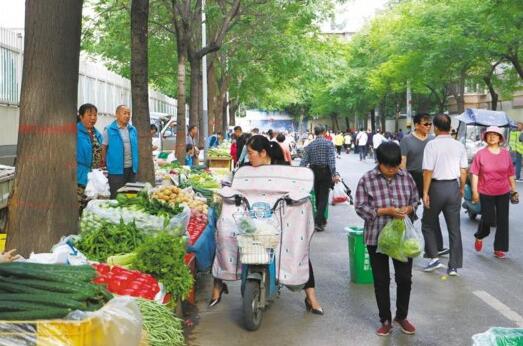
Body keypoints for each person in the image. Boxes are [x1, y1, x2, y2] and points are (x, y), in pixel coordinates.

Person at [210, 135, 324, 313]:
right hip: (252, 219)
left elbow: (297, 189)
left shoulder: (284, 170)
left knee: (298, 249)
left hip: (279, 219)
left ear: (263, 153)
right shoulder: (245, 171)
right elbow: (233, 184)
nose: (248, 158)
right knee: (226, 236)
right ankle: (217, 286)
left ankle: (311, 297)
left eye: (251, 153)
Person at [355, 142, 419, 336]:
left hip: (402, 238)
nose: (392, 170)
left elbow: (415, 199)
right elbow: (359, 206)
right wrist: (384, 211)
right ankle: (385, 319)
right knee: (381, 280)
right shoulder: (367, 179)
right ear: (379, 162)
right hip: (376, 237)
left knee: (405, 279)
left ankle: (401, 315)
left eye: (395, 165)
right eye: (387, 166)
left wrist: (409, 208)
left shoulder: (406, 177)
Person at [421, 114, 467, 276]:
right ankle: (453, 266)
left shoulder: (431, 145)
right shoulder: (459, 146)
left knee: (427, 223)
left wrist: (425, 192)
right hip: (453, 187)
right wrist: (461, 188)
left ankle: (434, 258)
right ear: (449, 127)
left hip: (436, 188)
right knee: (454, 228)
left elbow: (428, 171)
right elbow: (463, 171)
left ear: (436, 127)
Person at [400, 113, 448, 257]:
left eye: (430, 124)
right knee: (409, 212)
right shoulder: (406, 140)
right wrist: (403, 181)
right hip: (412, 178)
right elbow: (403, 163)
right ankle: (406, 243)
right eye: (425, 124)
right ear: (416, 125)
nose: (429, 127)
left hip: (429, 178)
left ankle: (436, 247)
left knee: (431, 213)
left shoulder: (433, 140)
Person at [471, 126, 517, 259]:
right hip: (486, 191)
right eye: (489, 134)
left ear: (500, 138)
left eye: (495, 135)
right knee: (489, 218)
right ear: (485, 137)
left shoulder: (505, 154)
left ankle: (499, 248)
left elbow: (510, 173)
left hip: (503, 191)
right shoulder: (480, 154)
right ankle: (480, 236)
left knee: (502, 220)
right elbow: (474, 174)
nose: (492, 137)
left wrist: (513, 190)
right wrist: (475, 192)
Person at [300, 125, 340, 232]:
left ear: (315, 133)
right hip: (325, 172)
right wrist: (334, 173)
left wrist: (299, 172)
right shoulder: (329, 143)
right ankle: (318, 221)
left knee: (318, 196)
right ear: (324, 132)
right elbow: (331, 160)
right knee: (323, 197)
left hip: (313, 172)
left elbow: (304, 161)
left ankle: (321, 220)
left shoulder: (310, 145)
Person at [103, 105, 138, 198]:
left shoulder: (132, 129)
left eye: (129, 114)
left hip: (131, 169)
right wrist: (105, 163)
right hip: (116, 170)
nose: (127, 116)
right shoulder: (109, 129)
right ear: (117, 115)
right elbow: (104, 147)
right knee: (117, 195)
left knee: (131, 195)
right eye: (124, 113)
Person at [77, 103, 104, 212]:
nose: (93, 118)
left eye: (95, 115)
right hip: (79, 176)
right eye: (89, 115)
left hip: (94, 177)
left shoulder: (97, 134)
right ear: (81, 116)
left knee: (90, 207)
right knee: (78, 206)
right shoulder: (75, 132)